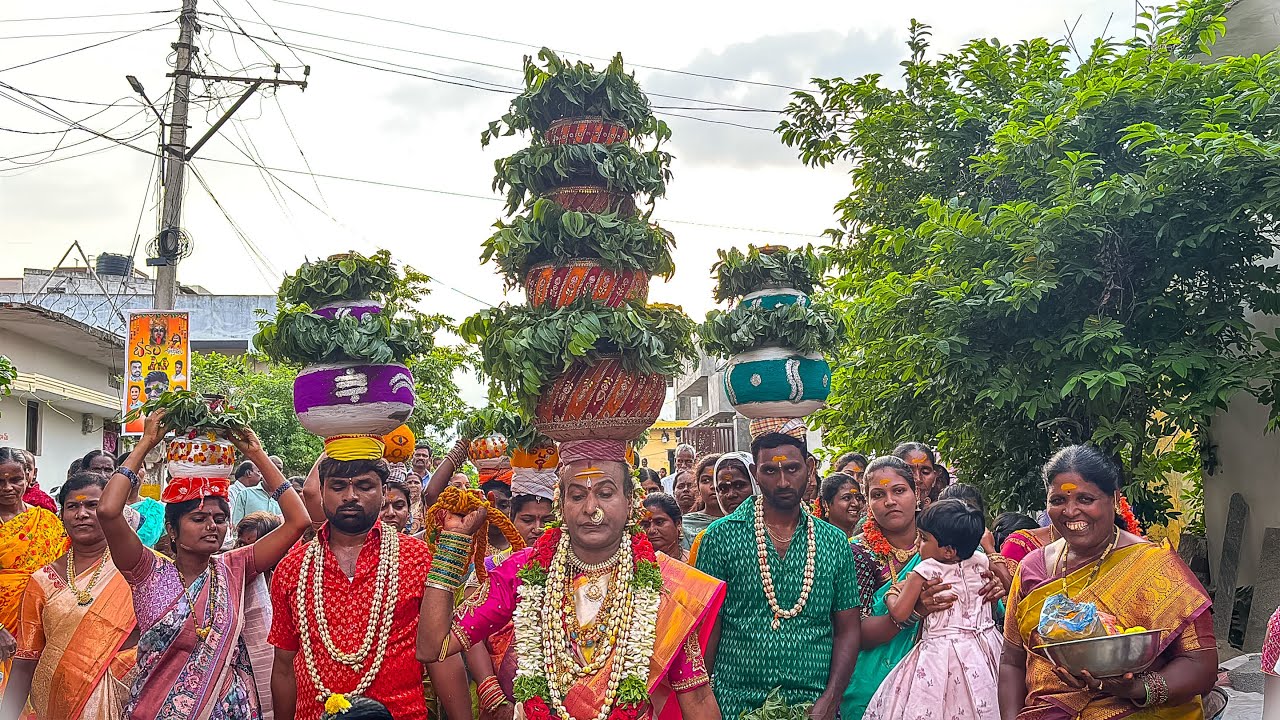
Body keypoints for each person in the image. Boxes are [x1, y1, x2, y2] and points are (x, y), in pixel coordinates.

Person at [419, 444, 726, 720]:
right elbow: (433, 646)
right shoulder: (521, 572)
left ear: (630, 501)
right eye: (577, 496)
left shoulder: (662, 582)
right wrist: (453, 542)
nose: (591, 509)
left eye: (605, 493)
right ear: (561, 504)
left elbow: (696, 696)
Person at [97, 412, 309, 720]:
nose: (212, 526)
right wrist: (146, 442)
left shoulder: (235, 566)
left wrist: (256, 454)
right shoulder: (146, 570)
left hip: (230, 710)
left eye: (220, 519)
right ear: (172, 529)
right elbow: (107, 510)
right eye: (199, 519)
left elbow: (298, 521)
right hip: (154, 710)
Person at [998, 445, 1217, 720]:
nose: (1070, 511)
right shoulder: (1032, 568)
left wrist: (1137, 688)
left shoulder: (1155, 566)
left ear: (1114, 499)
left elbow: (1203, 664)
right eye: (1058, 501)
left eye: (1085, 499)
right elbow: (1012, 660)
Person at [271, 449, 470, 720]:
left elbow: (441, 654)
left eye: (364, 486)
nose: (351, 496)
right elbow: (283, 666)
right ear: (322, 489)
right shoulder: (292, 567)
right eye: (338, 486)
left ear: (383, 489)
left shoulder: (417, 557)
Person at [694, 429, 860, 720]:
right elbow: (707, 629)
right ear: (755, 473)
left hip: (812, 704)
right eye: (770, 470)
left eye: (792, 468)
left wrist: (831, 699)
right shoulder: (719, 537)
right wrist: (701, 704)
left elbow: (848, 628)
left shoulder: (834, 542)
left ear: (809, 468)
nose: (782, 481)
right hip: (734, 704)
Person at [843, 455, 1005, 720]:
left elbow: (995, 611)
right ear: (867, 503)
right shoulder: (857, 553)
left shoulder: (958, 544)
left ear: (916, 493)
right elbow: (852, 632)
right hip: (881, 674)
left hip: (965, 667)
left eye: (899, 490)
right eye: (877, 494)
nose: (890, 501)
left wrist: (993, 590)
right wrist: (914, 612)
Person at [1, 472, 139, 720]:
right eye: (72, 506)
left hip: (127, 699)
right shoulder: (42, 580)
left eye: (92, 505)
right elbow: (25, 661)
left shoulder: (138, 569)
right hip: (57, 704)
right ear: (61, 515)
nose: (81, 514)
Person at [0, 447, 69, 697]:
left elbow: (63, 574)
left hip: (42, 624)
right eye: (0, 481)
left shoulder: (46, 521)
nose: (8, 487)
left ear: (28, 477)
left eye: (15, 479)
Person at [117, 451, 166, 548]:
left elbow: (163, 545)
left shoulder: (156, 509)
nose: (134, 472)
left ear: (145, 473)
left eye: (140, 467)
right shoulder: (110, 506)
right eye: (129, 468)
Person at [681, 453, 723, 548]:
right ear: (698, 487)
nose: (713, 486)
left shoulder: (746, 522)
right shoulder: (685, 524)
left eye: (719, 479)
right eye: (706, 480)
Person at [230, 460, 283, 531]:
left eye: (278, 469)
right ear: (262, 471)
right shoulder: (245, 494)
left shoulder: (286, 498)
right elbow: (236, 526)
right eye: (269, 468)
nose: (274, 472)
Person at [892, 442, 940, 509]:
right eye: (909, 472)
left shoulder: (943, 516)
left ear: (934, 478)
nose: (918, 479)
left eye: (925, 472)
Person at [818, 471, 865, 539]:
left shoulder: (867, 539)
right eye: (847, 498)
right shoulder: (816, 538)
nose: (856, 503)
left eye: (858, 498)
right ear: (825, 504)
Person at [642, 492, 686, 561]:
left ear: (678, 523)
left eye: (659, 522)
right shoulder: (633, 566)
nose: (651, 530)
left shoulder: (695, 563)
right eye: (646, 525)